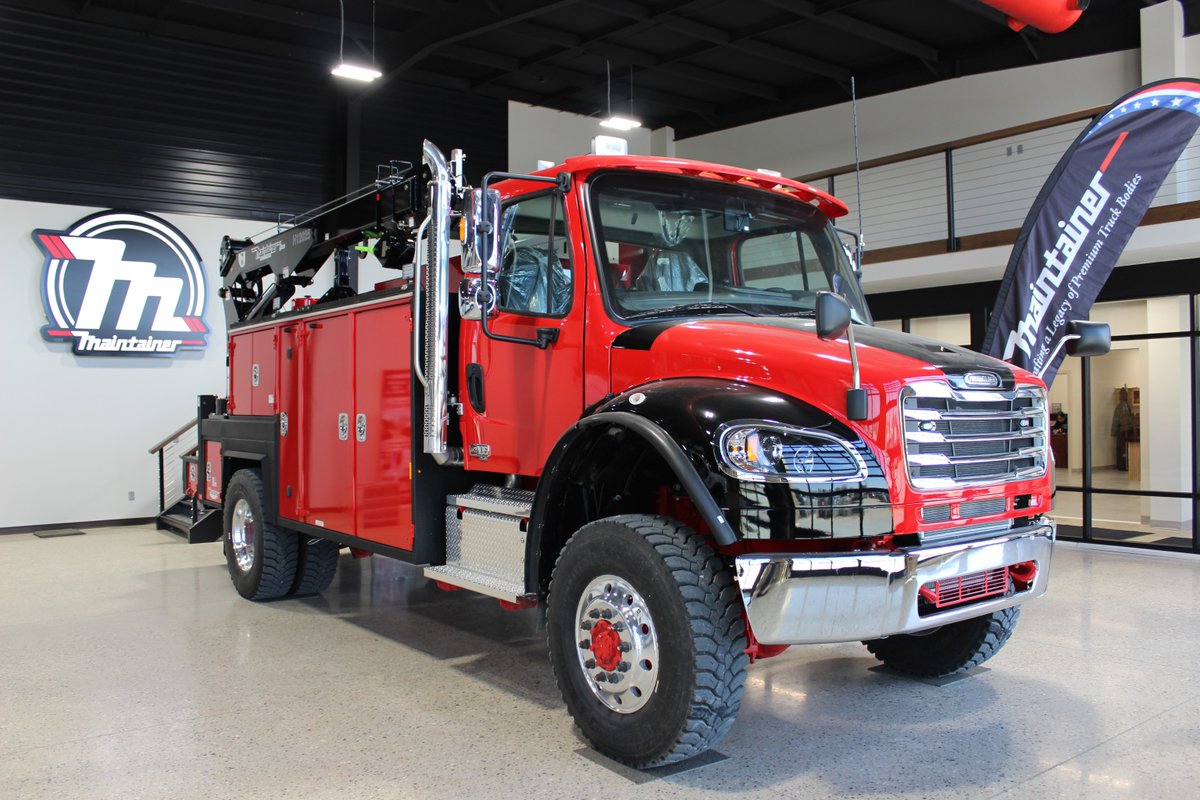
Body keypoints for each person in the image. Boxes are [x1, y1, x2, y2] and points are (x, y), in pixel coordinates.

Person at [1110, 388, 1134, 471]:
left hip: (1128, 432)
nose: (1124, 396)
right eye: (1123, 394)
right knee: (1121, 449)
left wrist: (1131, 428)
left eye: (1125, 394)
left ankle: (1127, 464)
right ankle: (1121, 465)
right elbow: (1116, 420)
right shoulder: (1119, 407)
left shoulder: (1128, 406)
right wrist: (1114, 432)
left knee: (1127, 449)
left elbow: (1130, 419)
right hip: (1121, 433)